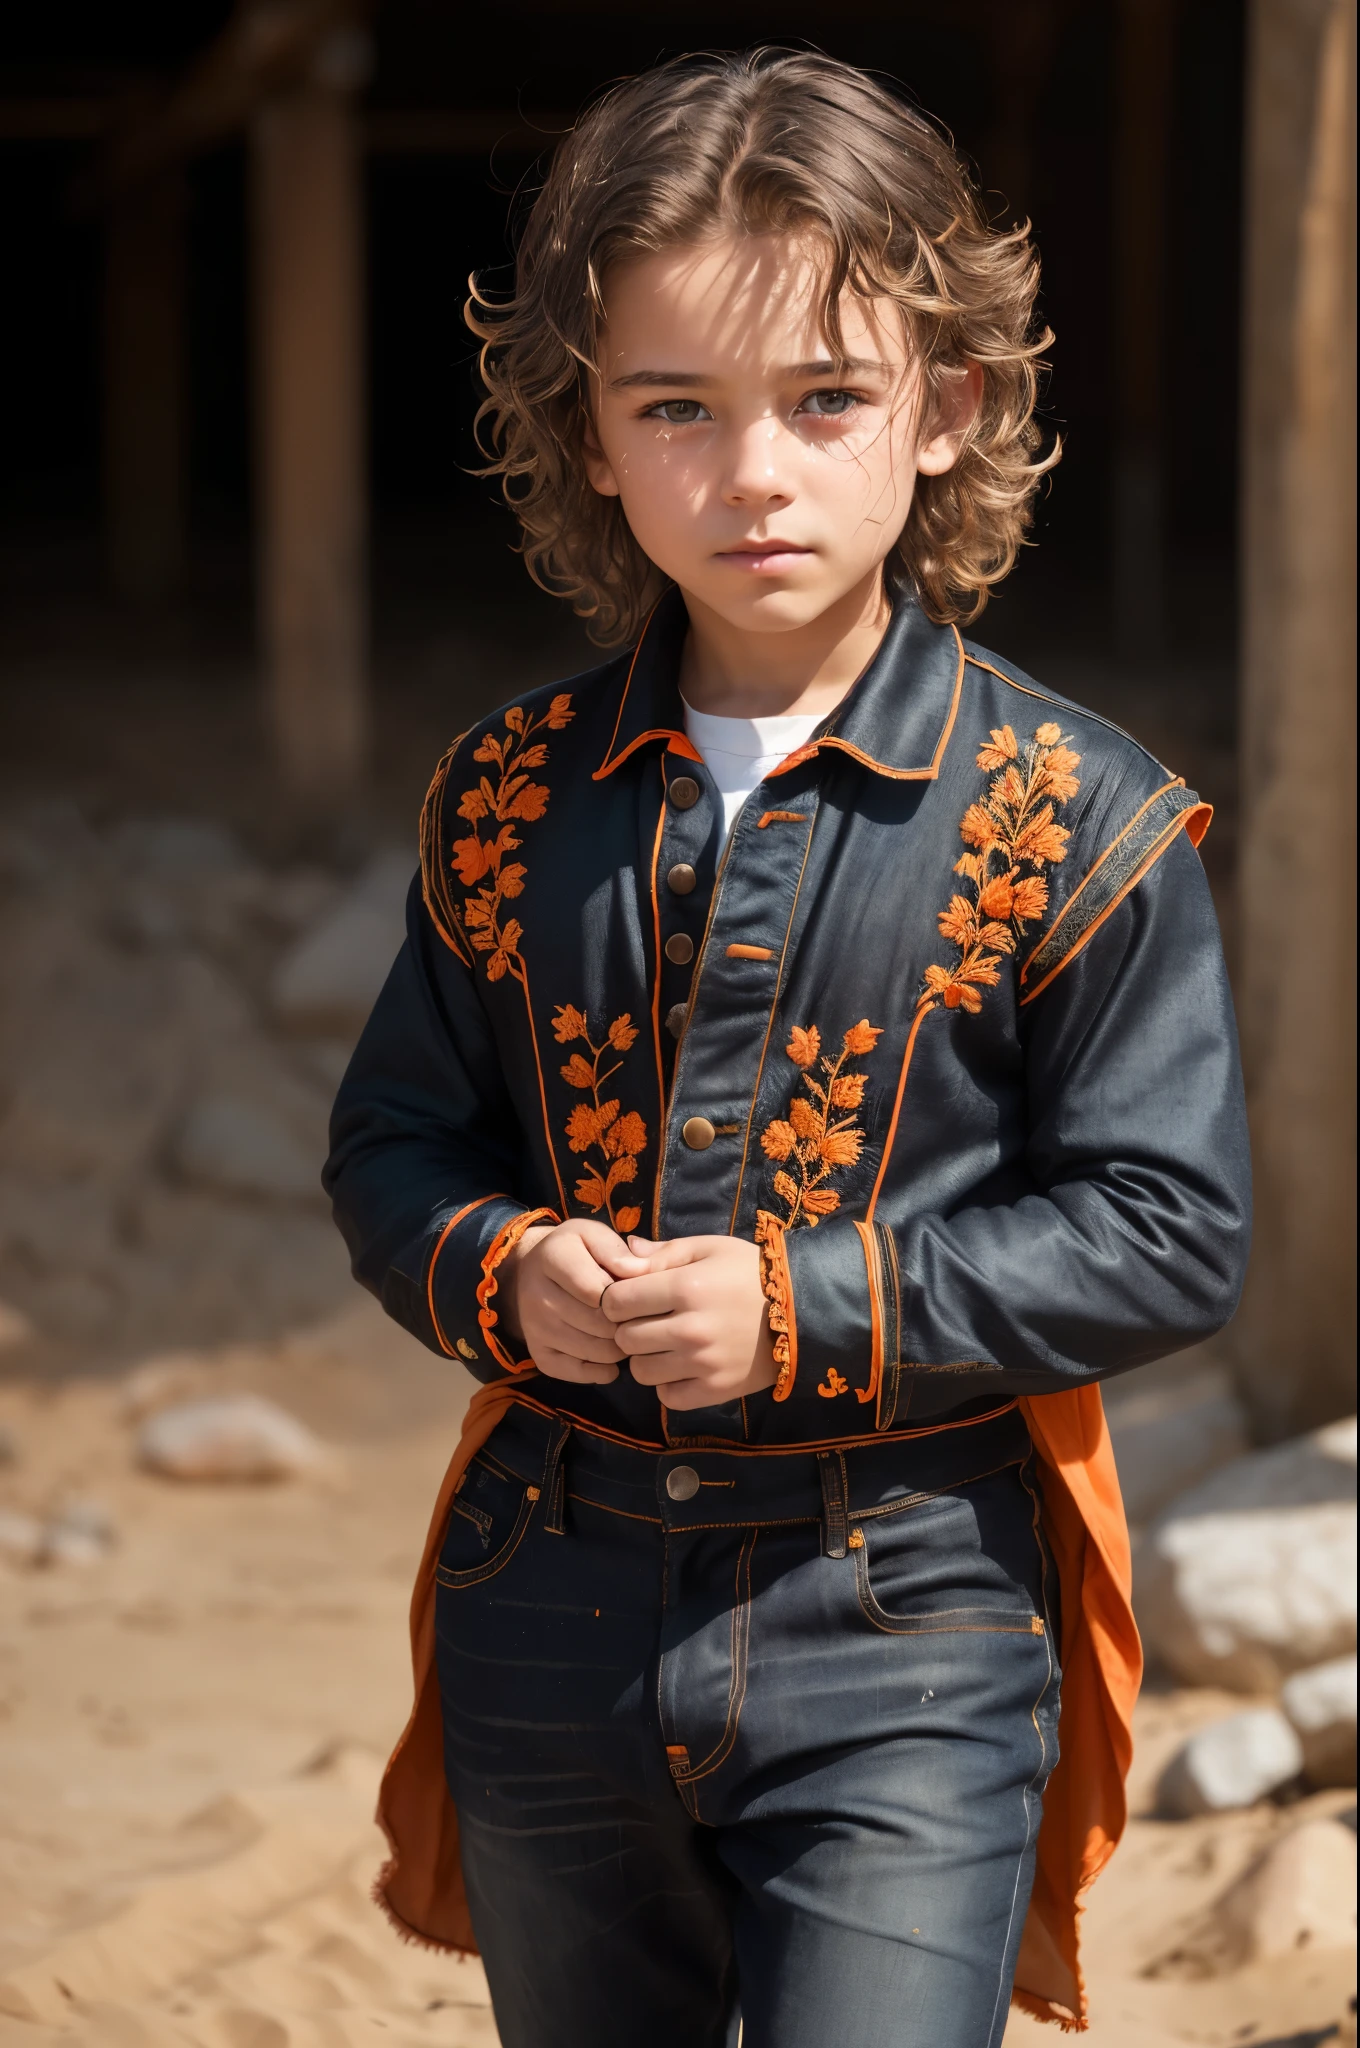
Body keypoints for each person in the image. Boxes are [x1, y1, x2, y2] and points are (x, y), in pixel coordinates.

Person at [324, 47, 1250, 2048]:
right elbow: (392, 1145)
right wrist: (511, 1272)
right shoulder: (501, 800)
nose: (752, 474)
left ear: (945, 409)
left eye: (824, 400)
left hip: (914, 1619)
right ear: (586, 435)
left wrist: (793, 1307)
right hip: (546, 1605)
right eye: (677, 408)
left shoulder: (1075, 819)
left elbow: (1168, 1224)